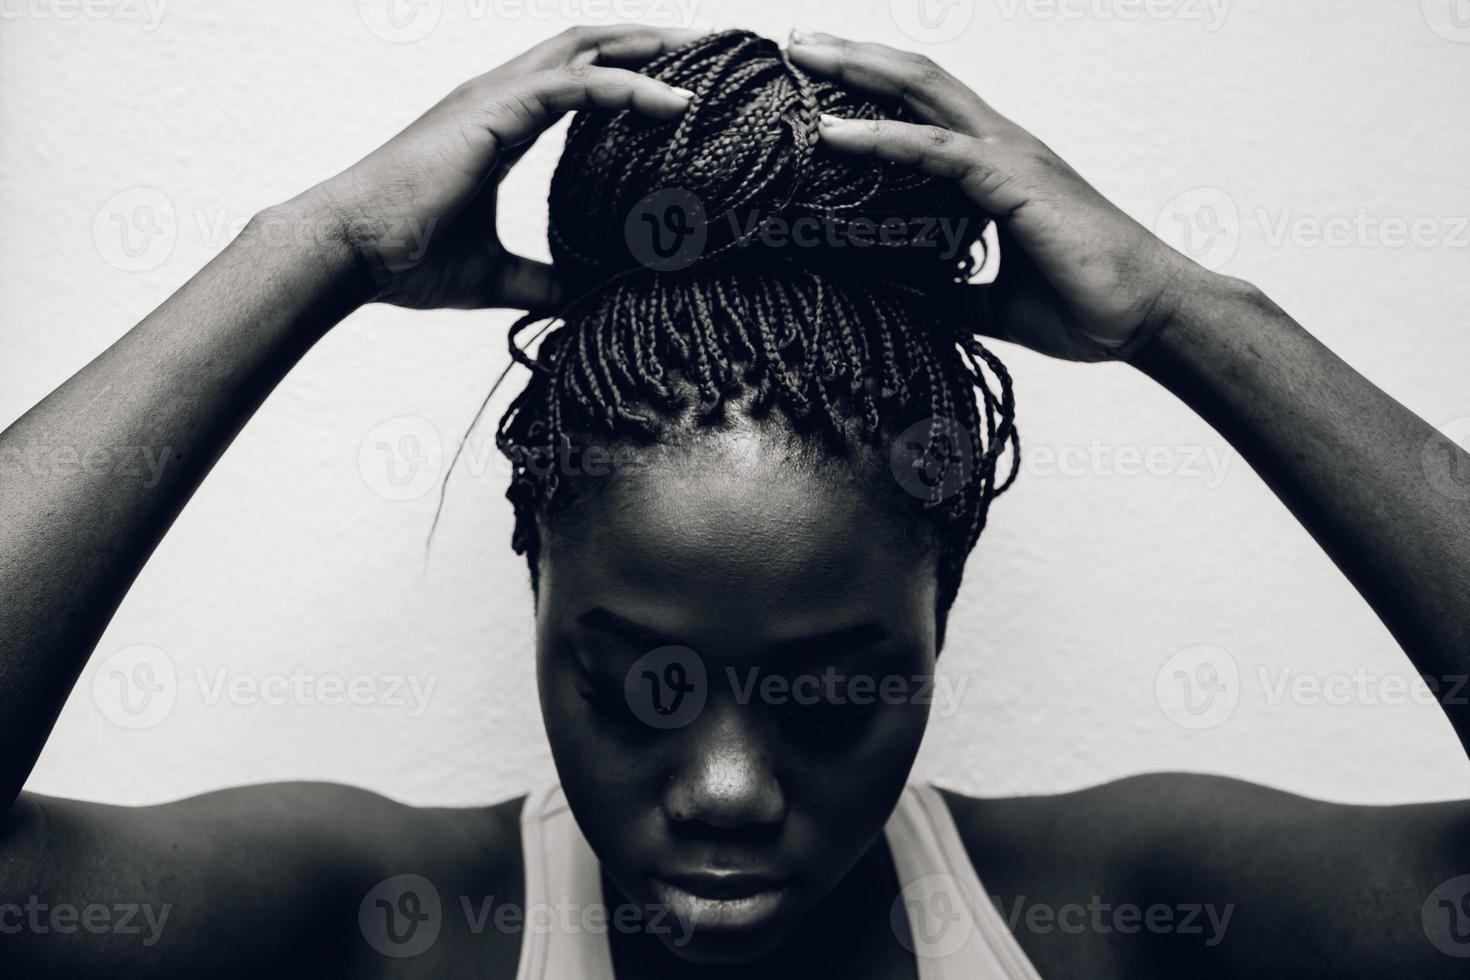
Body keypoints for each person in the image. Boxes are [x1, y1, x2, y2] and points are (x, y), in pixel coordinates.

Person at [1, 24, 1467, 980]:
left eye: (830, 691)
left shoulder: (1113, 919)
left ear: (938, 614)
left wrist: (1183, 308)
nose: (724, 791)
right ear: (539, 600)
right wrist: (308, 245)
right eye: (642, 680)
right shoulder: (403, 931)